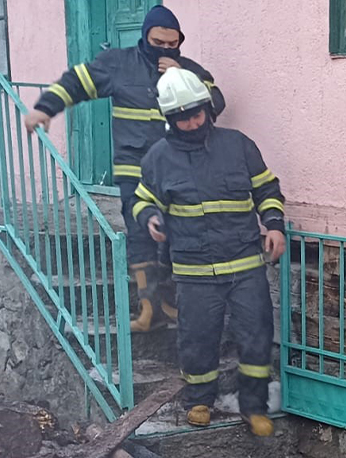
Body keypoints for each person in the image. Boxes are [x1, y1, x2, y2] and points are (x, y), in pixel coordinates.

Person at [24, 5, 226, 333]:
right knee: (140, 234)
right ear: (144, 36)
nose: (164, 48)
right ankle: (148, 308)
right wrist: (46, 108)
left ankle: (170, 302)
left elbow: (217, 103)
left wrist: (181, 75)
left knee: (177, 235)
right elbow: (76, 83)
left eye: (171, 43)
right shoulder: (117, 64)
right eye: (157, 42)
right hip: (135, 168)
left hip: (178, 170)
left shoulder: (189, 69)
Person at [132, 68, 286, 436]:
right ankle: (199, 400)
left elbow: (267, 189)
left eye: (196, 113)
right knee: (197, 338)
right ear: (170, 119)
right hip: (194, 271)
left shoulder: (238, 145)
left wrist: (275, 225)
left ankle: (254, 406)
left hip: (246, 265)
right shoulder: (158, 157)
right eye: (182, 117)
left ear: (207, 108)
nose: (191, 122)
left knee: (256, 336)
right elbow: (141, 201)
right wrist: (151, 218)